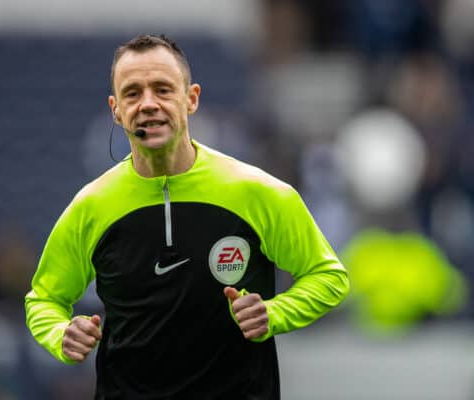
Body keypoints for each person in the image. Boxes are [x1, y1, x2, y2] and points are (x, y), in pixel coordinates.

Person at [25, 34, 350, 399]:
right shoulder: (92, 205)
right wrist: (60, 335)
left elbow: (327, 276)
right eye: (133, 93)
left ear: (191, 98)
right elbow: (44, 300)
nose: (148, 104)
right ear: (116, 110)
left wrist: (275, 313)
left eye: (163, 89)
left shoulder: (258, 192)